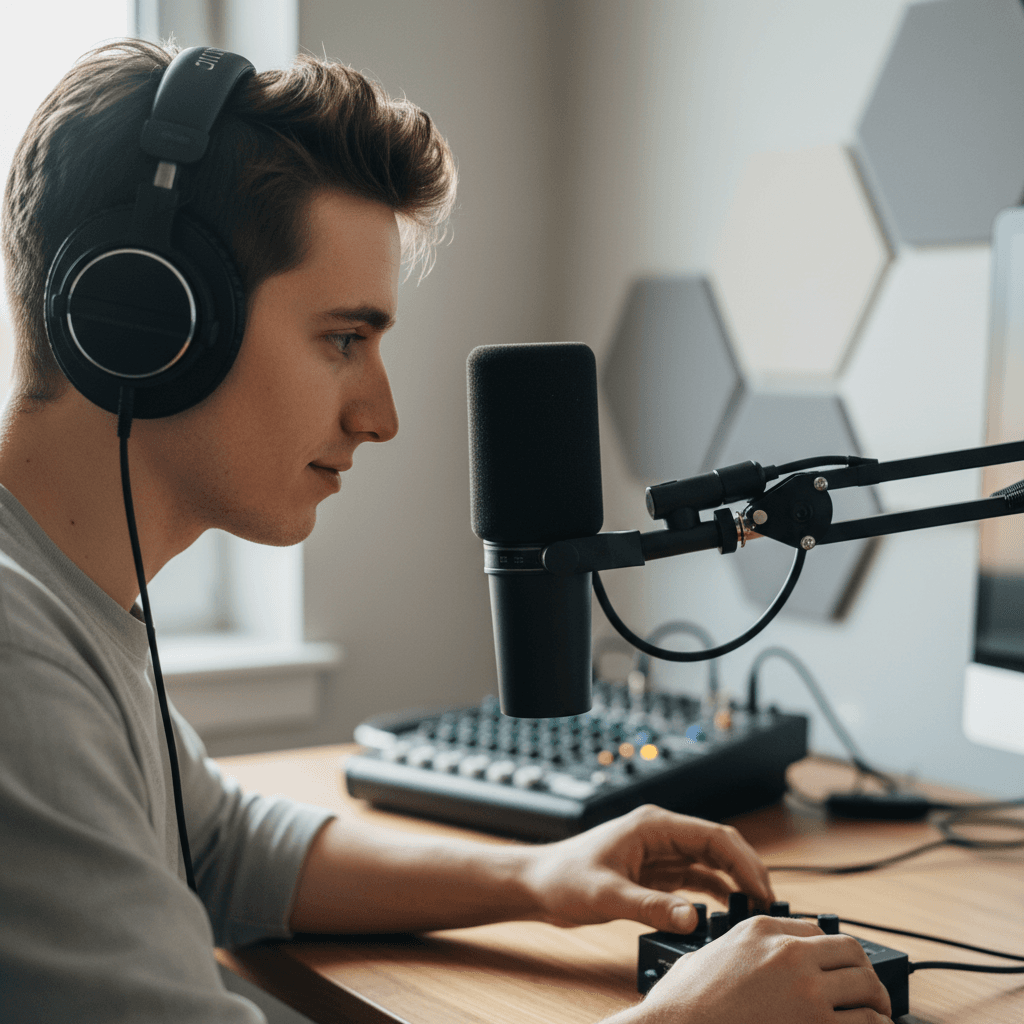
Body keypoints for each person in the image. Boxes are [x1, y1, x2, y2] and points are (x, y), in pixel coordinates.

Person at [0, 39, 894, 1024]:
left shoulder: (55, 603)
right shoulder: (17, 667)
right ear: (153, 321)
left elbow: (221, 841)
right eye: (344, 339)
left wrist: (540, 875)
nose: (380, 416)